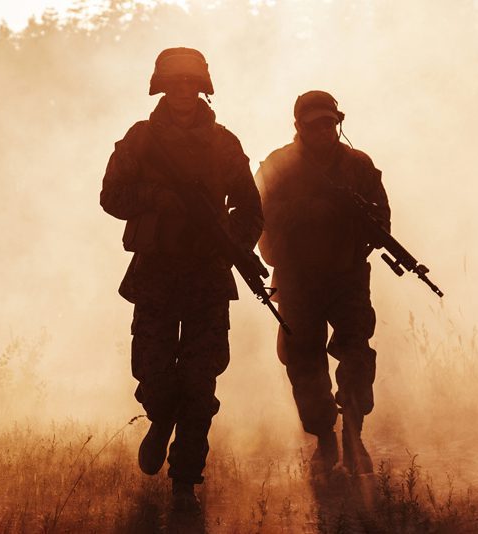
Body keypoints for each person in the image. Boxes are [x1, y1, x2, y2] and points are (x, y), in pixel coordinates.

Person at [100, 47, 263, 512]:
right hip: (155, 273)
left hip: (207, 277)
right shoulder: (141, 140)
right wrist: (156, 197)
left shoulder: (224, 144)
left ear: (203, 87)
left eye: (191, 84)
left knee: (200, 381)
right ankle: (159, 418)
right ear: (161, 87)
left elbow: (251, 208)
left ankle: (185, 481)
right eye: (175, 84)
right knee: (154, 374)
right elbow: (111, 195)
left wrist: (227, 239)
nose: (184, 92)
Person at [256, 91, 391, 476]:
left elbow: (381, 218)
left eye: (330, 123)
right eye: (314, 124)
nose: (324, 131)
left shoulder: (357, 165)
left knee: (356, 353)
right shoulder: (279, 165)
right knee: (304, 361)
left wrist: (359, 223)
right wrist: (308, 211)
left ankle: (353, 433)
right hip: (298, 279)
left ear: (338, 122)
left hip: (346, 276)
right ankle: (325, 441)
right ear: (299, 126)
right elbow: (259, 217)